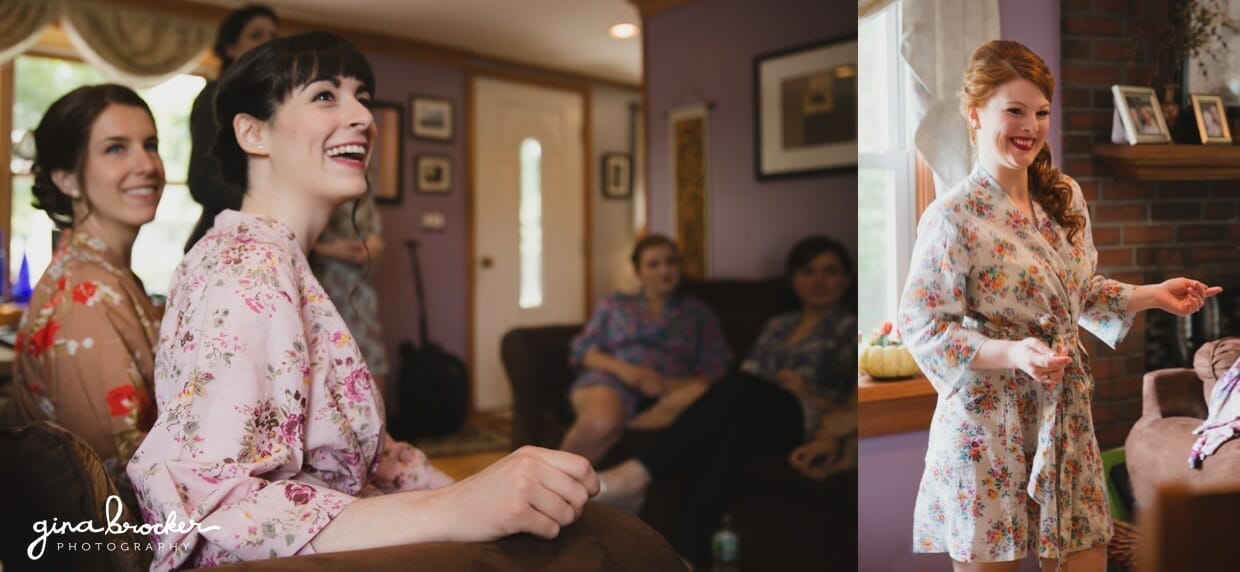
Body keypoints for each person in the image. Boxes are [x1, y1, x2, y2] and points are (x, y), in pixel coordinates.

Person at [128, 32, 597, 570]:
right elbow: (214, 518)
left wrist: (492, 491)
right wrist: (452, 508)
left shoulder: (284, 262)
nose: (362, 118)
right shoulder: (244, 271)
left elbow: (382, 461)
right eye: (326, 95)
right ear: (254, 132)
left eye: (363, 98)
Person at [898, 39, 1221, 572]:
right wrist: (1012, 354)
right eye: (1015, 110)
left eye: (1042, 111)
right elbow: (923, 325)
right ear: (976, 113)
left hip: (1065, 419)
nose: (1030, 125)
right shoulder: (951, 217)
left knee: (1086, 557)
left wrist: (1152, 295)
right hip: (987, 426)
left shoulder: (1063, 198)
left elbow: (1075, 292)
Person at [595, 235, 857, 565]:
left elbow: (853, 407)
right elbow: (748, 376)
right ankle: (686, 557)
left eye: (830, 271)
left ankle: (636, 476)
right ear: (794, 279)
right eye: (808, 271)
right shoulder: (779, 325)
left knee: (738, 387)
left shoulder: (851, 328)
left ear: (846, 279)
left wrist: (808, 393)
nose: (818, 280)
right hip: (756, 412)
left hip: (806, 419)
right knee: (732, 437)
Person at [3, 84, 165, 500]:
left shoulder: (104, 273)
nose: (146, 164)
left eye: (150, 145)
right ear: (66, 178)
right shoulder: (86, 296)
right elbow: (127, 473)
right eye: (116, 148)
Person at [560, 234, 732, 464]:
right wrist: (630, 373)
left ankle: (619, 473)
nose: (664, 270)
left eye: (671, 262)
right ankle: (548, 491)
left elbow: (717, 368)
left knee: (702, 395)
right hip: (612, 379)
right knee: (600, 422)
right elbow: (582, 350)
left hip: (671, 390)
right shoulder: (616, 304)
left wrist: (667, 384)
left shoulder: (698, 313)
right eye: (653, 264)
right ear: (638, 272)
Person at [183, 3, 278, 252]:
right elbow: (202, 181)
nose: (267, 43)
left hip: (269, 240)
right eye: (256, 35)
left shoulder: (277, 105)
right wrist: (268, 208)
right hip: (221, 245)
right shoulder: (214, 97)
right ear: (230, 47)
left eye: (273, 36)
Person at [310, 190, 389, 393]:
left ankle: (377, 422)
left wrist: (370, 247)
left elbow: (376, 236)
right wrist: (332, 251)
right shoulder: (310, 187)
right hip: (321, 285)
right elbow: (294, 240)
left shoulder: (363, 190)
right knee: (325, 364)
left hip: (358, 287)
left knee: (371, 359)